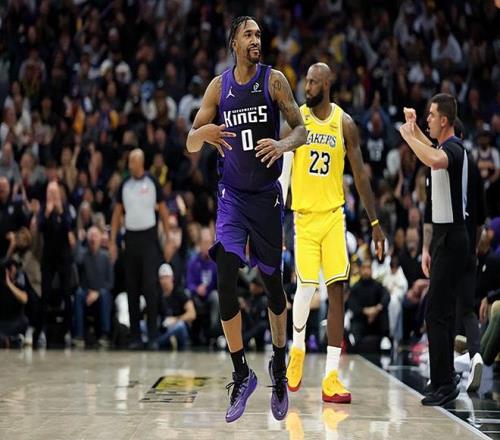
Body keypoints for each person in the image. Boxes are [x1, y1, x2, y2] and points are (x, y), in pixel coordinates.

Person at [186, 16, 306, 422]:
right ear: (234, 44)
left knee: (274, 287)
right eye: (249, 35)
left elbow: (301, 130)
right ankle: (241, 373)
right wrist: (202, 135)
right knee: (224, 273)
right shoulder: (218, 88)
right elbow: (190, 141)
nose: (256, 40)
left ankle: (278, 364)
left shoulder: (274, 81)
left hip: (266, 198)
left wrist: (283, 144)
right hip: (232, 197)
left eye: (258, 35)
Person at [281, 63, 385, 403]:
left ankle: (331, 377)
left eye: (313, 82)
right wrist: (277, 216)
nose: (307, 86)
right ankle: (297, 349)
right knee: (305, 288)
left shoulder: (344, 123)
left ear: (327, 85)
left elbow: (360, 174)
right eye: (306, 81)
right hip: (303, 219)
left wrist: (375, 223)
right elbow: (283, 171)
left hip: (333, 217)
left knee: (337, 290)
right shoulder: (296, 119)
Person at [400, 94, 469, 406]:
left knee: (436, 312)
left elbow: (431, 158)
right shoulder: (440, 147)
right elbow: (428, 149)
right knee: (439, 312)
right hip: (442, 237)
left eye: (430, 115)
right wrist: (413, 127)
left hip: (454, 236)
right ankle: (443, 379)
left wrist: (408, 136)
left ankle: (444, 382)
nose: (428, 118)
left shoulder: (453, 149)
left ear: (444, 120)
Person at [110, 148, 170, 350]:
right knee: (132, 288)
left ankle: (152, 336)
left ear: (141, 162)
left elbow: (163, 210)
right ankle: (135, 337)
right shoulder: (124, 185)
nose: (129, 165)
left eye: (133, 162)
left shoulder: (152, 182)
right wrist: (112, 241)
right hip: (131, 239)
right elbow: (117, 213)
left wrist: (168, 237)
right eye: (129, 161)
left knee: (150, 287)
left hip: (149, 239)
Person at [74, 226, 114, 348]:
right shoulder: (83, 254)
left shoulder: (106, 257)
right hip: (86, 291)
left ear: (100, 238)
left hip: (101, 292)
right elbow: (77, 260)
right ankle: (79, 335)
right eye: (91, 236)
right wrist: (79, 242)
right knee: (78, 294)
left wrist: (97, 292)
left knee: (105, 295)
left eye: (95, 236)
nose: (93, 239)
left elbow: (110, 282)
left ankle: (104, 335)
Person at [157, 263, 196, 351]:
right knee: (142, 325)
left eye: (167, 277)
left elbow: (192, 314)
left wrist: (176, 319)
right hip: (163, 328)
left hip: (178, 327)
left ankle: (161, 342)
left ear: (172, 278)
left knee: (180, 327)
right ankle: (165, 341)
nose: (165, 281)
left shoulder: (180, 293)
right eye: (162, 278)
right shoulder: (158, 295)